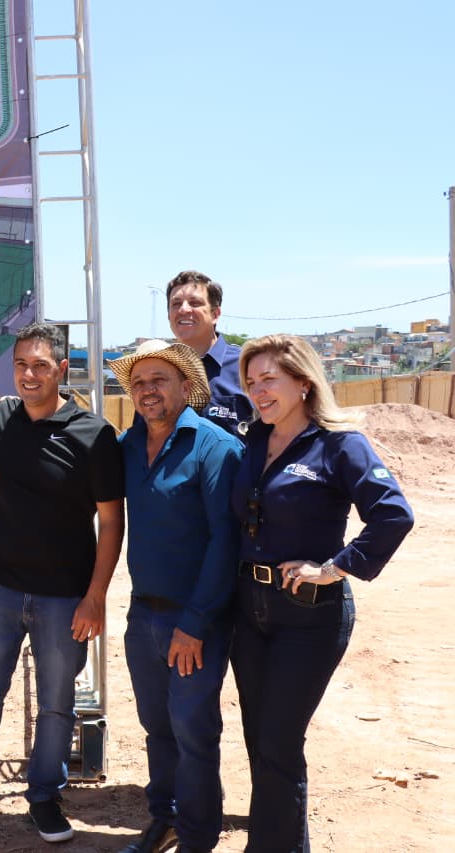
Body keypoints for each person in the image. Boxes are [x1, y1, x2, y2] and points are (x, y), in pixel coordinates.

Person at [0, 323, 125, 843]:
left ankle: (44, 798)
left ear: (62, 370)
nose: (29, 375)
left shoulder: (94, 433)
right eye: (21, 365)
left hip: (66, 598)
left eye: (41, 365)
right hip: (0, 588)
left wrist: (96, 596)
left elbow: (111, 521)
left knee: (57, 703)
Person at [230, 334, 413, 852]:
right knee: (260, 745)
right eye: (251, 381)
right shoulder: (250, 441)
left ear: (303, 382)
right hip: (249, 611)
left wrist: (335, 568)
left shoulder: (339, 443)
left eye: (269, 379)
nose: (258, 390)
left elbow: (393, 514)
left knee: (279, 745)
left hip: (307, 618)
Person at [109, 339, 243, 853]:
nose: (147, 390)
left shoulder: (215, 447)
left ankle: (198, 836)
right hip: (143, 615)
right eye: (139, 382)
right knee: (156, 727)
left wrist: (195, 623)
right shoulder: (126, 446)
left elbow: (224, 543)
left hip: (195, 622)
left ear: (185, 387)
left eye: (159, 380)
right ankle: (163, 819)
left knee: (192, 729)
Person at [165, 270, 252, 435]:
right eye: (176, 304)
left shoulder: (247, 367)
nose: (183, 309)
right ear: (169, 315)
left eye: (194, 302)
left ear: (215, 314)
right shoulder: (156, 369)